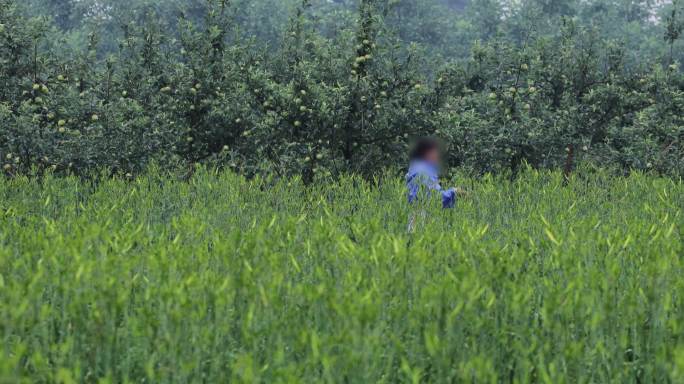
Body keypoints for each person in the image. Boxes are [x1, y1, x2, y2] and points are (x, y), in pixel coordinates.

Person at [406, 137, 459, 209]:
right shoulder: (423, 171)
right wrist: (454, 192)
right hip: (422, 215)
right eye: (436, 152)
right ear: (428, 153)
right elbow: (432, 199)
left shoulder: (418, 168)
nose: (438, 155)